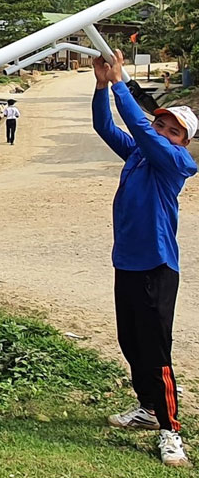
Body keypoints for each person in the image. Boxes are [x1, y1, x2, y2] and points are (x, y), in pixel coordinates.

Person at [92, 50, 197, 467]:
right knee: (131, 341)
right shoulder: (139, 153)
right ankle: (149, 410)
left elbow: (138, 125)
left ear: (185, 142)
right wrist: (102, 87)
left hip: (156, 266)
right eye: (162, 123)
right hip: (128, 262)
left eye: (175, 130)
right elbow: (105, 126)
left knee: (155, 349)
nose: (164, 131)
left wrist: (121, 83)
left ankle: (171, 431)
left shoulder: (176, 162)